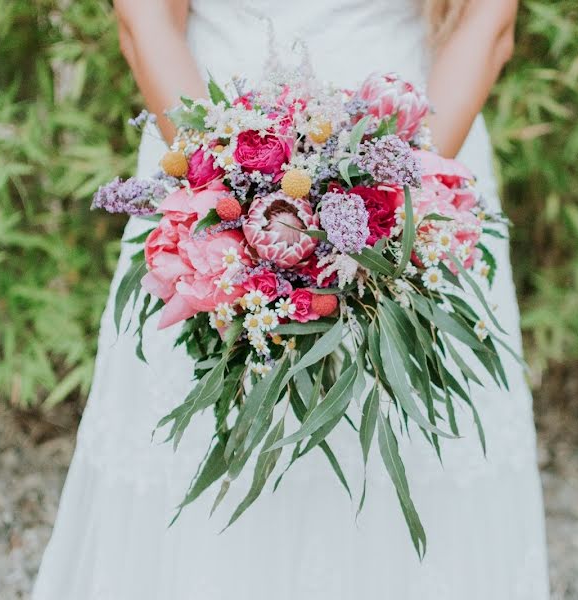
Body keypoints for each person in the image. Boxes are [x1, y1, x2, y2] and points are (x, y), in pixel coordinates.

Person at [34, 1, 549, 598]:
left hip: (425, 152)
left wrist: (397, 202)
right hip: (207, 153)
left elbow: (487, 25)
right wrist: (227, 193)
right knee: (210, 445)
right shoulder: (218, 180)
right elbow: (144, 19)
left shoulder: (413, 180)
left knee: (404, 447)